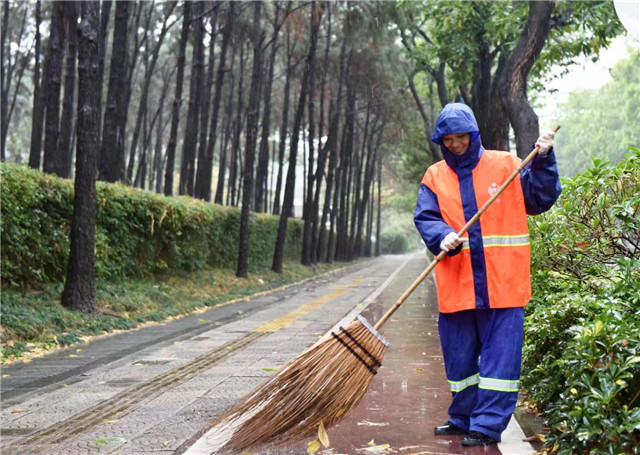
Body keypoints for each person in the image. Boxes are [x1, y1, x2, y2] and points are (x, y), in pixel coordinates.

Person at [414, 103, 561, 447]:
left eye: (460, 136)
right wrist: (440, 235)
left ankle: (486, 425)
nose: (454, 144)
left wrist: (542, 160)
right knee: (460, 358)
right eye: (447, 139)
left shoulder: (507, 165)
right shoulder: (434, 176)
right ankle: (462, 417)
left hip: (503, 285)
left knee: (499, 361)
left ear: (473, 134)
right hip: (458, 284)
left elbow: (540, 198)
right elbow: (426, 216)